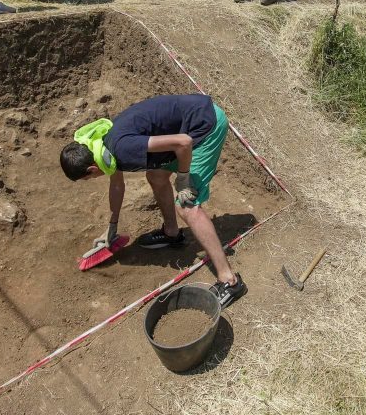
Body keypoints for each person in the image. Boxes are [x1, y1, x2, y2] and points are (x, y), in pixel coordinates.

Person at [59, 94, 247, 308]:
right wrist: (112, 227)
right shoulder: (99, 146)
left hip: (205, 126)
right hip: (185, 124)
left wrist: (184, 178)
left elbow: (184, 143)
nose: (92, 179)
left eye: (88, 178)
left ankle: (229, 281)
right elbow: (117, 184)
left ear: (91, 169)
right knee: (156, 176)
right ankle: (172, 234)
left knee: (187, 206)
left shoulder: (122, 149)